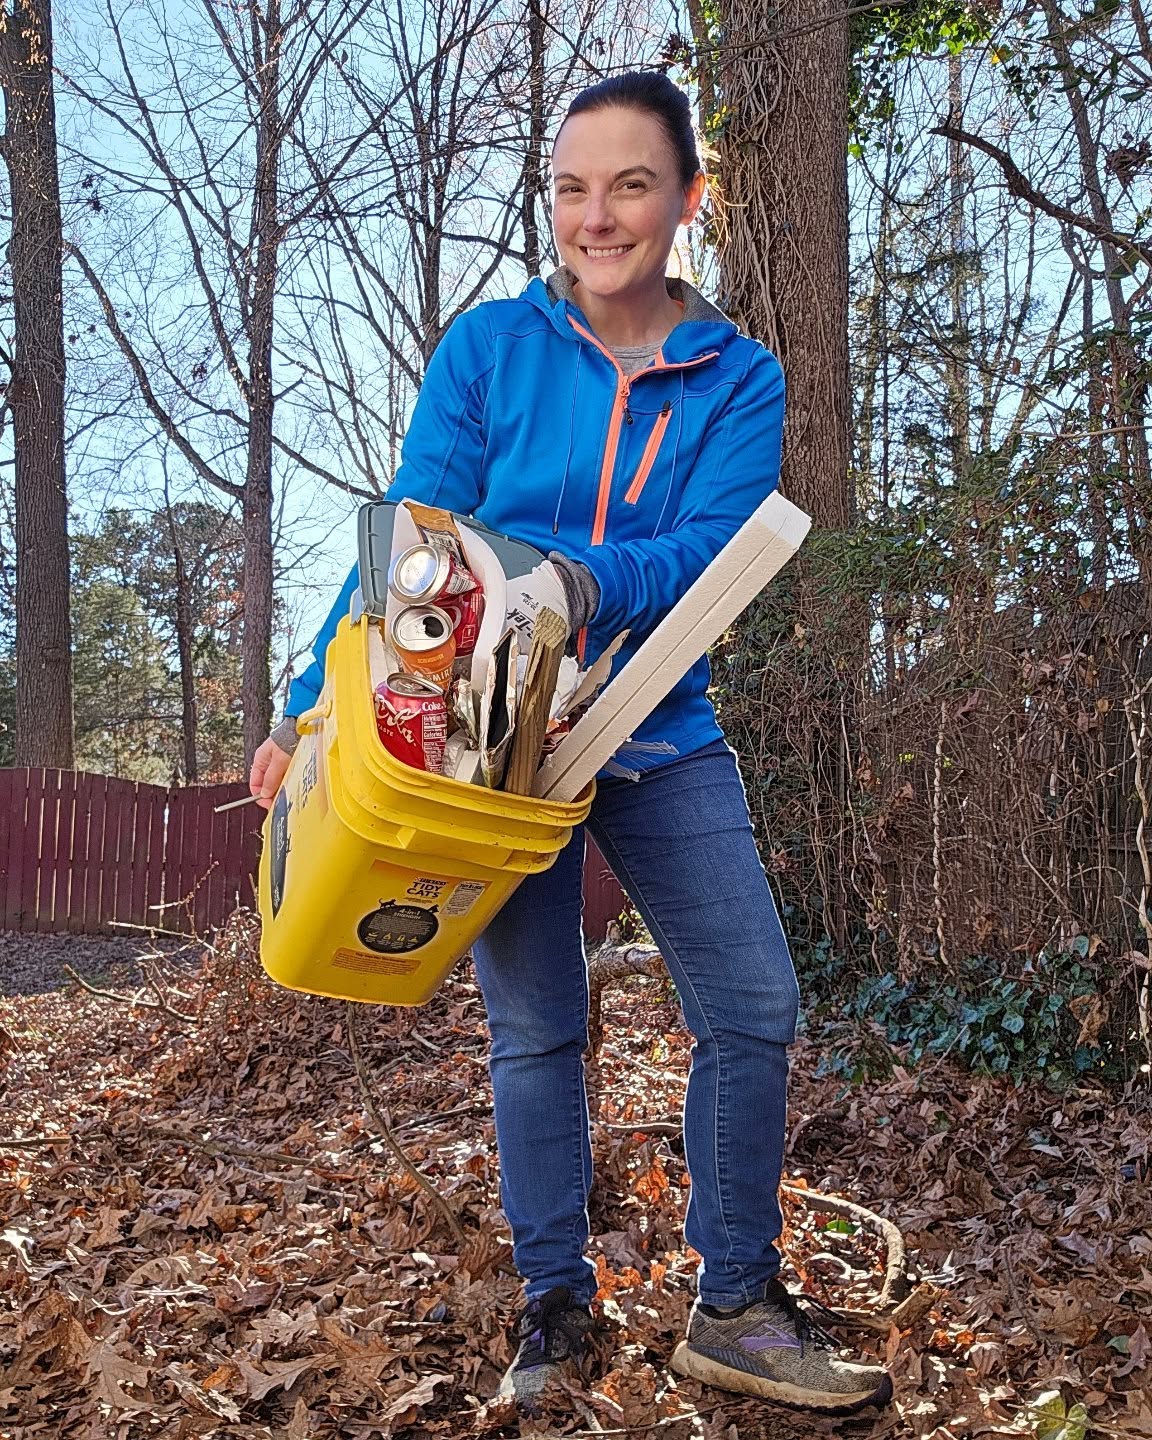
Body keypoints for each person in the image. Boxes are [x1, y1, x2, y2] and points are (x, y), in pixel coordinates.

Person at [250, 70, 892, 1418]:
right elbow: (411, 535)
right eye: (571, 189)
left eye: (631, 185)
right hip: (486, 751)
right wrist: (310, 705)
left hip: (658, 722)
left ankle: (736, 1307)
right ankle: (555, 1305)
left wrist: (580, 584)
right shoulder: (491, 349)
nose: (596, 217)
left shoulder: (738, 378)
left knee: (753, 1005)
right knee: (537, 1028)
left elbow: (710, 550)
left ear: (689, 201)